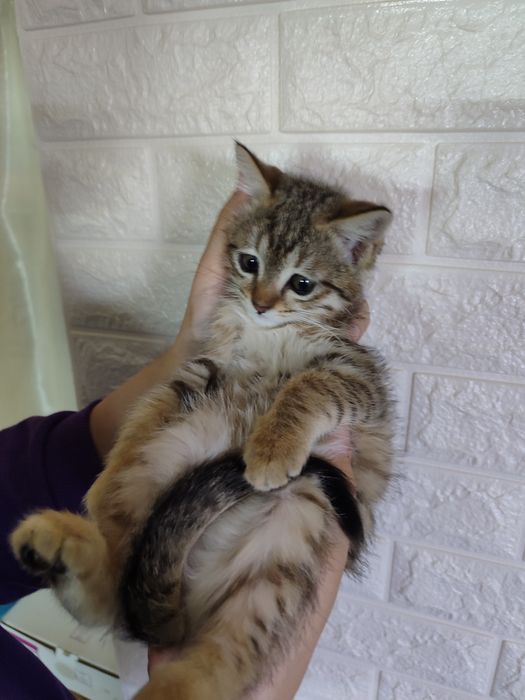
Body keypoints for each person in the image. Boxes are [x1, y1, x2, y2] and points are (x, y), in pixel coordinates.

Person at [0, 191, 370, 699]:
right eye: (249, 265)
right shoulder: (232, 324)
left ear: (357, 254)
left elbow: (357, 390)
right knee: (175, 438)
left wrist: (292, 421)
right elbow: (180, 393)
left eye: (300, 285)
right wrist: (119, 472)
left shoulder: (329, 339)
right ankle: (107, 581)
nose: (262, 299)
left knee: (300, 506)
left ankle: (213, 672)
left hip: (265, 514)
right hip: (203, 498)